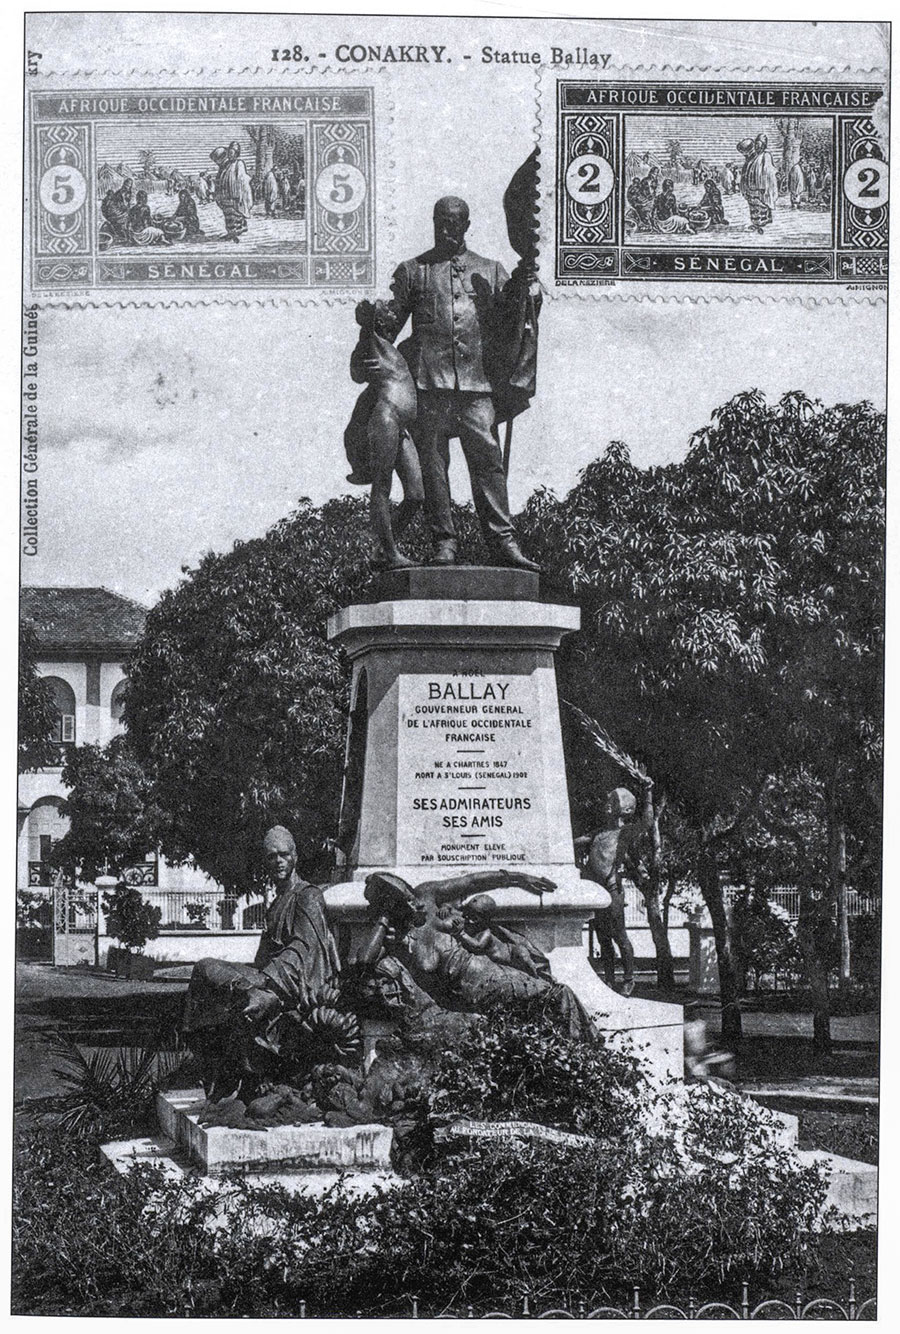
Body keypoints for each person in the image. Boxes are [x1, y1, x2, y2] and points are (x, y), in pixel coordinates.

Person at [380, 196, 539, 571]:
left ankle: (503, 541)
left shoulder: (492, 271)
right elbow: (387, 330)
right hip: (428, 383)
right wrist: (376, 321)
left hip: (476, 383)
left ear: (467, 225)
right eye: (440, 221)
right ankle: (444, 543)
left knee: (488, 461)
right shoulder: (413, 271)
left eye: (453, 223)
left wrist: (528, 293)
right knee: (434, 464)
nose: (446, 229)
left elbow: (512, 321)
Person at [183, 825, 341, 1100]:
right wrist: (252, 976)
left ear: (295, 857)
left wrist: (267, 981)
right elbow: (262, 957)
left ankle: (232, 1073)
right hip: (268, 976)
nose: (278, 861)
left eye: (283, 854)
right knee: (204, 967)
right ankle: (212, 1067)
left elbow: (305, 949)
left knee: (221, 982)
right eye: (271, 856)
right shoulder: (277, 901)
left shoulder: (307, 895)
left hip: (292, 984)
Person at [355, 869, 597, 1039]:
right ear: (392, 910)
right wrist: (383, 920)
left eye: (411, 895)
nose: (415, 903)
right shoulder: (396, 940)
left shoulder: (427, 895)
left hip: (490, 976)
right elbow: (364, 960)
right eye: (405, 901)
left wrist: (517, 877)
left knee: (554, 996)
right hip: (466, 1001)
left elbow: (471, 882)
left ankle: (587, 1052)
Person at [344, 298, 424, 568]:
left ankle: (383, 546)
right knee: (383, 486)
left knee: (416, 495)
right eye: (388, 310)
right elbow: (364, 340)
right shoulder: (373, 340)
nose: (394, 312)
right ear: (379, 321)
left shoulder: (394, 348)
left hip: (401, 426)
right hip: (385, 418)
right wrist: (368, 319)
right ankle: (391, 554)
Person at [576, 785, 652, 998]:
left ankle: (628, 979)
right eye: (608, 801)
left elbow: (647, 822)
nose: (607, 805)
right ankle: (609, 980)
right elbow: (576, 842)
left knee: (619, 935)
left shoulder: (624, 833)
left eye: (613, 802)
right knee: (603, 939)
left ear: (625, 809)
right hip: (596, 891)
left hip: (612, 889)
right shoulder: (598, 833)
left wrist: (648, 794)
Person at [212, 140, 253, 241]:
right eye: (229, 152)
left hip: (234, 194)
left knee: (234, 214)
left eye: (232, 153)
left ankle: (234, 233)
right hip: (226, 195)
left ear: (236, 153)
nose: (230, 155)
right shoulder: (226, 165)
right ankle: (235, 231)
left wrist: (239, 193)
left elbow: (241, 180)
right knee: (228, 214)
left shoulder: (239, 163)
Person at [738, 134, 779, 234]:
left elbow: (767, 172)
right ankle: (759, 223)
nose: (758, 147)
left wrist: (762, 186)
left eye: (760, 146)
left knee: (760, 206)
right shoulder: (751, 158)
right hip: (751, 189)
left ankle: (761, 225)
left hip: (760, 188)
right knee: (754, 207)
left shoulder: (765, 156)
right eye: (756, 145)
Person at [100, 178, 133, 243]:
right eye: (126, 185)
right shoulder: (118, 194)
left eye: (129, 186)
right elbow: (113, 207)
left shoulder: (128, 193)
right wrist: (125, 211)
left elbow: (127, 204)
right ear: (124, 185)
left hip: (120, 211)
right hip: (116, 213)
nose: (127, 187)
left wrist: (127, 209)